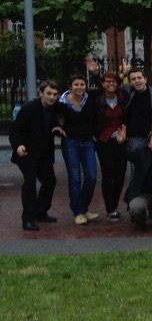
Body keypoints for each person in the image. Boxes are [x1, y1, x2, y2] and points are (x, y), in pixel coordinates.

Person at [10, 80, 62, 231]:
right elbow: (14, 129)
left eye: (54, 94)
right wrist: (18, 145)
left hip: (43, 153)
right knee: (30, 182)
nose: (52, 97)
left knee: (50, 181)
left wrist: (58, 128)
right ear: (41, 93)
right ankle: (28, 219)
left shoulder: (53, 109)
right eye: (48, 94)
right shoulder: (30, 108)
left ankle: (40, 211)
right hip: (27, 153)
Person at [54, 74, 101, 225]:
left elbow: (104, 87)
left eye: (82, 84)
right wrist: (55, 128)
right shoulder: (61, 103)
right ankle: (78, 211)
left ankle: (83, 207)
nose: (79, 87)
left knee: (91, 177)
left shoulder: (91, 99)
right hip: (71, 142)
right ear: (70, 86)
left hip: (88, 142)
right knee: (74, 178)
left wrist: (96, 74)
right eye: (76, 85)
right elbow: (50, 115)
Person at [93, 71, 129, 221]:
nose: (111, 84)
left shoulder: (122, 97)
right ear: (102, 84)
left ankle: (114, 204)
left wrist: (124, 73)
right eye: (107, 81)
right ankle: (110, 208)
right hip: (104, 141)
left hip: (121, 141)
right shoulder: (97, 100)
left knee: (120, 175)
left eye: (114, 81)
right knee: (108, 175)